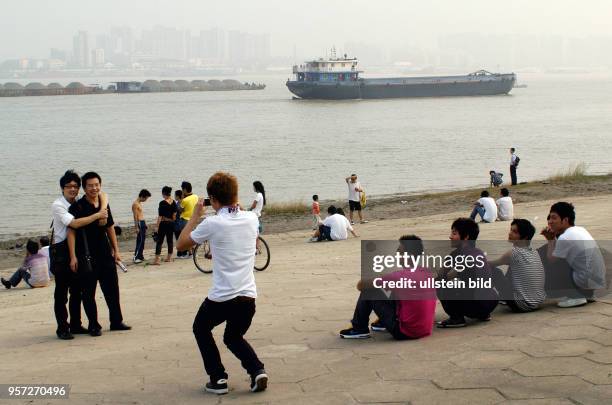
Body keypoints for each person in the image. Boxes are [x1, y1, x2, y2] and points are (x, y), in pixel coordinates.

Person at [177, 172, 268, 395]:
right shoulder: (251, 218)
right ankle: (257, 370)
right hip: (248, 297)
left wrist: (195, 216)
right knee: (233, 337)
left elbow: (181, 244)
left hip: (222, 297)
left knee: (200, 328)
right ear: (235, 195)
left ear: (213, 200)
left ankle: (218, 379)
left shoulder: (213, 223)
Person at [67, 172, 130, 336]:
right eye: (90, 185)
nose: (94, 188)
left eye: (96, 185)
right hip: (86, 255)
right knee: (89, 293)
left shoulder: (103, 203)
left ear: (100, 185)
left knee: (112, 290)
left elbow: (110, 227)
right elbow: (71, 232)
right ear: (84, 188)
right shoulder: (78, 207)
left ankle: (116, 321)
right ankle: (94, 325)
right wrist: (73, 256)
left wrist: (116, 250)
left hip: (105, 253)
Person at [48, 170, 109, 340]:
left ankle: (75, 324)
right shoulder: (58, 205)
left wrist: (102, 208)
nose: (73, 189)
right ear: (62, 188)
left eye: (75, 186)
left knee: (77, 290)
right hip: (61, 251)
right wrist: (98, 215)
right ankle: (62, 328)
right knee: (61, 292)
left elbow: (103, 194)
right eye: (69, 187)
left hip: (77, 251)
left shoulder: (79, 204)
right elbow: (73, 223)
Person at [339, 235, 437, 339]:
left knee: (369, 291)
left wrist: (378, 279)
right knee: (391, 290)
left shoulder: (399, 276)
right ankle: (382, 322)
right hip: (425, 329)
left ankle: (359, 328)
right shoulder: (427, 272)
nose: (397, 254)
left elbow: (360, 285)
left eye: (399, 252)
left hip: (405, 332)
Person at [540, 202, 606, 308]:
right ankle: (587, 294)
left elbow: (551, 259)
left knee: (550, 262)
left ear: (565, 220)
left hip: (583, 281)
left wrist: (550, 240)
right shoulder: (580, 229)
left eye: (554, 218)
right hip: (595, 281)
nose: (550, 222)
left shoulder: (565, 237)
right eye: (549, 218)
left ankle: (575, 296)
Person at [437, 218, 499, 327]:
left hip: (476, 305)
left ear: (466, 237)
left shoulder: (462, 256)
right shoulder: (478, 252)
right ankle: (483, 315)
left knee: (440, 283)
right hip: (491, 302)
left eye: (454, 233)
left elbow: (446, 276)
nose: (450, 236)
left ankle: (456, 318)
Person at [489, 219, 545, 312]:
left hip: (521, 305)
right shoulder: (534, 252)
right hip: (538, 302)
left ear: (525, 237)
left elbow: (491, 264)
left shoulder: (514, 253)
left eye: (514, 232)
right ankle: (502, 297)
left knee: (495, 272)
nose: (510, 233)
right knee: (514, 266)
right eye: (510, 230)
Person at [152, 186, 177, 265]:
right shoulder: (174, 202)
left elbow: (160, 216)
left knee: (159, 241)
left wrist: (156, 227)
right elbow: (174, 215)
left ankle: (157, 260)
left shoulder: (162, 203)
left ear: (163, 193)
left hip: (163, 223)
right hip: (171, 223)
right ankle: (169, 258)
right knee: (170, 240)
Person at [177, 181, 198, 258]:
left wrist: (181, 199)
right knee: (192, 236)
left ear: (185, 190)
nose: (182, 191)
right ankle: (193, 252)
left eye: (182, 189)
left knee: (186, 237)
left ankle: (190, 254)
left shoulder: (185, 200)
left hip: (185, 219)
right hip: (193, 219)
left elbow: (179, 210)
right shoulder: (195, 196)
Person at [132, 189, 151, 264]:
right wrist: (136, 227)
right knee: (140, 241)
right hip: (139, 223)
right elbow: (135, 216)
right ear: (142, 196)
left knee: (142, 241)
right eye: (146, 198)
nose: (146, 200)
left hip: (142, 222)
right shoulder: (135, 204)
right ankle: (136, 257)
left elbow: (141, 214)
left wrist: (145, 223)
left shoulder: (139, 203)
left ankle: (140, 256)